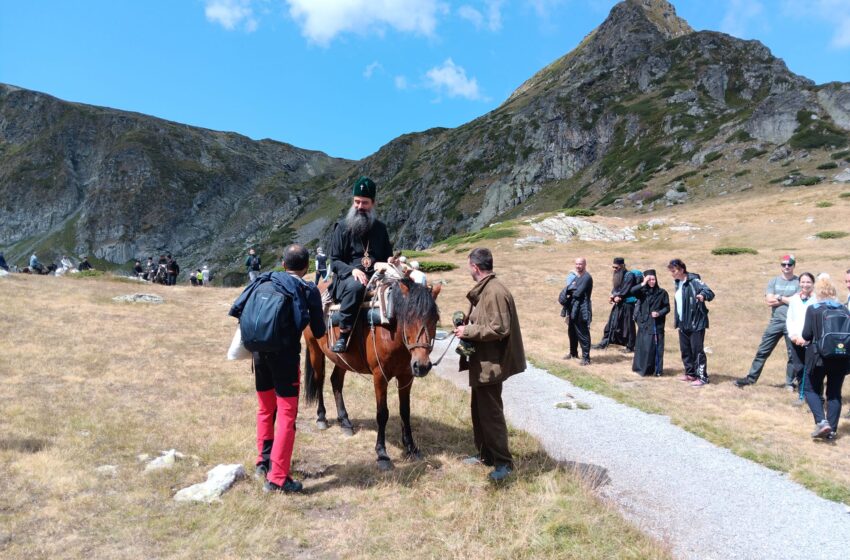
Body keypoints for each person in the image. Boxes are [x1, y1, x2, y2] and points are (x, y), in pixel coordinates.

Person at [229, 244, 326, 492]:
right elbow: (318, 332)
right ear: (307, 268)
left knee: (265, 408)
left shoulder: (264, 280)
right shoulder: (307, 288)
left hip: (258, 355)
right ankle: (278, 478)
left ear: (283, 264)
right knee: (285, 415)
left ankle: (263, 461)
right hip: (285, 359)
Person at [453, 248, 525, 482]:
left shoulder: (494, 291)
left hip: (491, 364)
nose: (468, 269)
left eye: (468, 266)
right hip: (483, 362)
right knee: (479, 411)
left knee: (491, 414)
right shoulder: (488, 289)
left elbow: (499, 328)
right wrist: (468, 323)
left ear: (474, 267)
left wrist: (468, 330)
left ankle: (504, 463)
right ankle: (486, 455)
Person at [329, 176, 394, 353]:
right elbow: (334, 261)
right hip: (347, 279)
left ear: (373, 203)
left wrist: (388, 261)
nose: (359, 207)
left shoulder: (380, 228)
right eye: (357, 202)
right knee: (357, 286)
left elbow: (388, 255)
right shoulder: (342, 228)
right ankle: (344, 333)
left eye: (364, 203)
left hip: (377, 276)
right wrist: (353, 271)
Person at [735, 255, 800, 389]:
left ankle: (790, 383)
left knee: (792, 354)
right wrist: (788, 299)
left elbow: (797, 301)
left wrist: (779, 297)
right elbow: (769, 301)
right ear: (781, 266)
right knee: (763, 351)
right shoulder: (773, 281)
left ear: (794, 266)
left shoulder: (799, 281)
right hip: (775, 322)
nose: (786, 267)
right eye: (783, 264)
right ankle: (751, 378)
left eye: (789, 264)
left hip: (793, 323)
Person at [800, 276, 849, 440]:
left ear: (817, 292)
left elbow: (806, 334)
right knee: (834, 394)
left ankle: (822, 422)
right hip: (841, 356)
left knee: (810, 389)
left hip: (818, 357)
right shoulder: (844, 309)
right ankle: (832, 431)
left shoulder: (814, 309)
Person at [668, 259, 715, 387]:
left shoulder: (694, 281)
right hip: (683, 323)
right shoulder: (678, 283)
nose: (672, 273)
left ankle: (702, 377)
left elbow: (709, 292)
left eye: (674, 271)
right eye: (671, 271)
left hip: (696, 322)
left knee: (697, 351)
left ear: (681, 270)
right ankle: (690, 374)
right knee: (686, 350)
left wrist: (702, 296)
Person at [629, 270, 670, 376]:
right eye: (649, 280)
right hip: (644, 324)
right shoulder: (642, 292)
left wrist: (659, 313)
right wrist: (643, 283)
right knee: (643, 347)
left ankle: (657, 370)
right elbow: (632, 291)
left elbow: (667, 307)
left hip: (656, 324)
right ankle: (640, 367)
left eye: (653, 279)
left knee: (656, 348)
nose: (652, 282)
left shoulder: (662, 293)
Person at [594, 257, 639, 352]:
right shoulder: (617, 275)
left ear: (622, 266)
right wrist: (612, 296)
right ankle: (606, 341)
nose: (614, 269)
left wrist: (618, 296)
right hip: (619, 303)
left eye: (616, 267)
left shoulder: (629, 275)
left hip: (628, 304)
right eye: (613, 267)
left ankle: (630, 346)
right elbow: (616, 288)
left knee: (628, 326)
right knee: (612, 322)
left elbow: (626, 289)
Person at [786, 272, 817, 394]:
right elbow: (790, 319)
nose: (805, 284)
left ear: (813, 284)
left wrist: (808, 338)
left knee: (812, 369)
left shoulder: (817, 300)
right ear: (799, 283)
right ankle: (802, 393)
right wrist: (793, 335)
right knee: (799, 367)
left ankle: (814, 394)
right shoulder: (794, 299)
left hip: (811, 340)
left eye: (808, 282)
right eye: (803, 282)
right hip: (795, 339)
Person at [562, 257, 593, 365]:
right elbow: (570, 289)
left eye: (580, 264)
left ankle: (586, 358)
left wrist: (569, 292)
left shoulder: (587, 277)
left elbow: (577, 293)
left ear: (585, 264)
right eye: (576, 264)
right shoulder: (577, 277)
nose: (578, 266)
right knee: (572, 331)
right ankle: (573, 353)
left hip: (582, 308)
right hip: (573, 308)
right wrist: (569, 292)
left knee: (583, 333)